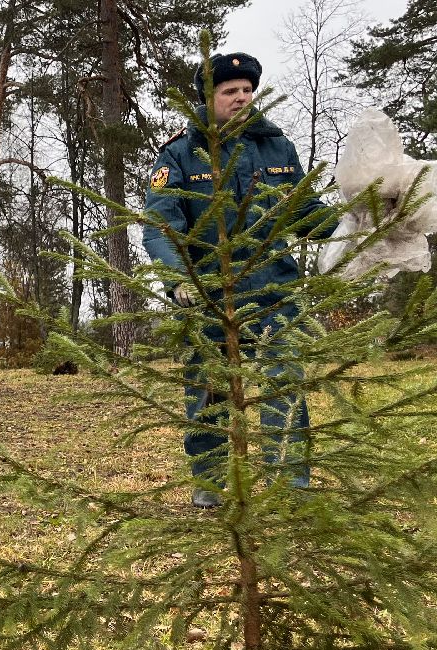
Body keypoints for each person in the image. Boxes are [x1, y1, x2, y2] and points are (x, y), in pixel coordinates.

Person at [141, 51, 335, 509]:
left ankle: (290, 486)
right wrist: (178, 278)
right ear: (207, 99)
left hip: (274, 291)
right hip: (208, 295)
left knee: (284, 385)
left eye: (247, 90)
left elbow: (303, 211)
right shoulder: (179, 154)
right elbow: (161, 226)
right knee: (208, 392)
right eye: (230, 91)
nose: (241, 98)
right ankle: (209, 486)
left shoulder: (277, 147)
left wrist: (356, 221)